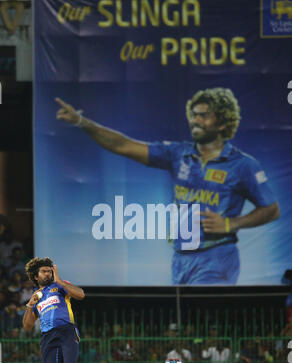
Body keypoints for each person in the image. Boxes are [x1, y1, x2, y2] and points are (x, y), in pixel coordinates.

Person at [55, 88, 280, 285]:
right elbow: (124, 145)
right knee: (187, 329)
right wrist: (81, 122)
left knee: (205, 321)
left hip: (217, 255)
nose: (195, 120)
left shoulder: (243, 165)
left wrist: (231, 223)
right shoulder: (178, 154)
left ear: (222, 122)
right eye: (194, 115)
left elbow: (271, 210)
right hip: (180, 256)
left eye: (204, 115)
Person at [22, 256, 94, 363]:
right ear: (35, 276)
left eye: (50, 270)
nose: (48, 273)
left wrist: (59, 280)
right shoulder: (36, 297)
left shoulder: (59, 286)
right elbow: (27, 326)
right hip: (48, 337)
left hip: (67, 331)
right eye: (44, 271)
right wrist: (30, 305)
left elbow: (81, 295)